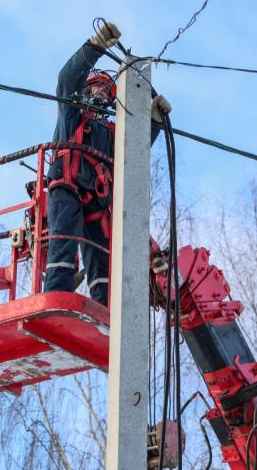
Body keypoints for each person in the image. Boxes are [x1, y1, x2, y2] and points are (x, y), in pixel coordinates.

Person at [44, 21, 171, 306]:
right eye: (95, 89)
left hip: (96, 203)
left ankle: (105, 314)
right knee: (64, 244)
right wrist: (96, 45)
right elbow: (66, 80)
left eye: (105, 92)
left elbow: (134, 152)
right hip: (68, 189)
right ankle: (56, 299)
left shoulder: (111, 134)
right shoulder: (71, 116)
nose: (100, 96)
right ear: (85, 91)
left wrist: (154, 123)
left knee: (101, 260)